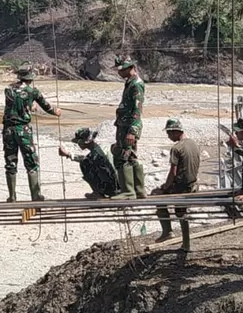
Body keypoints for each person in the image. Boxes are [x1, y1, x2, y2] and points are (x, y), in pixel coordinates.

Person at [2, 63, 61, 203]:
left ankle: (12, 197)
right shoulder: (33, 92)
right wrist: (56, 112)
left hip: (8, 130)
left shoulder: (8, 90)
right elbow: (46, 107)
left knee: (11, 162)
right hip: (23, 130)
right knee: (31, 162)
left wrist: (29, 106)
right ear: (30, 78)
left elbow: (16, 102)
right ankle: (35, 196)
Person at [152, 119, 200, 251]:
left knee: (157, 196)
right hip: (193, 184)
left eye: (169, 133)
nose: (168, 136)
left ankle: (167, 232)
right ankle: (186, 244)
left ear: (175, 132)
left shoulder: (176, 148)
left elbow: (173, 171)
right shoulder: (193, 144)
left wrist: (165, 187)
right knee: (181, 213)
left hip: (182, 187)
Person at [111, 56, 146, 200]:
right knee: (130, 156)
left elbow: (137, 109)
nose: (119, 73)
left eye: (121, 70)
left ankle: (129, 192)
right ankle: (139, 191)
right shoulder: (130, 83)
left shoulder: (136, 85)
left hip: (128, 126)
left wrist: (132, 131)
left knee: (124, 156)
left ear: (129, 68)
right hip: (124, 124)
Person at [58, 127, 119, 199]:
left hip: (111, 187)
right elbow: (86, 157)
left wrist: (68, 154)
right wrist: (68, 154)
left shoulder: (95, 155)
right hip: (117, 185)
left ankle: (98, 193)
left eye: (79, 142)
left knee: (84, 165)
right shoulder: (100, 149)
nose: (78, 144)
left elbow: (85, 159)